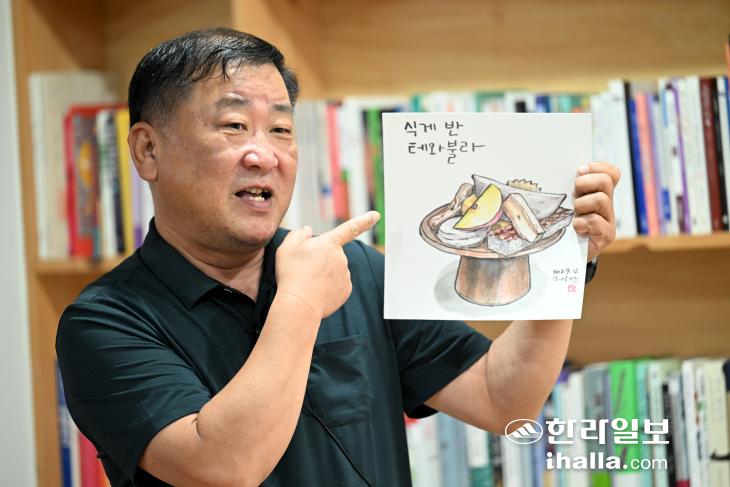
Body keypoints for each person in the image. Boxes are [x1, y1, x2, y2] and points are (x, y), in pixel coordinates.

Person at [56, 28, 620, 487]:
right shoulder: (104, 322)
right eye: (234, 126)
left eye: (281, 129)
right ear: (147, 150)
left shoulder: (355, 268)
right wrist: (301, 302)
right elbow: (223, 467)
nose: (264, 155)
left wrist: (567, 261)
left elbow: (504, 399)